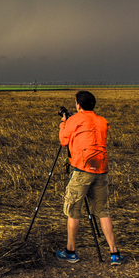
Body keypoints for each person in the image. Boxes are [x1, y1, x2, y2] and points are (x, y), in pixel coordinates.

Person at [55, 90, 124, 265]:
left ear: (78, 105)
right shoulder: (102, 121)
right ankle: (114, 253)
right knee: (103, 211)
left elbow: (63, 141)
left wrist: (64, 122)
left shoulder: (74, 120)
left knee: (73, 210)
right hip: (101, 170)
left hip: (82, 170)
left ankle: (71, 251)